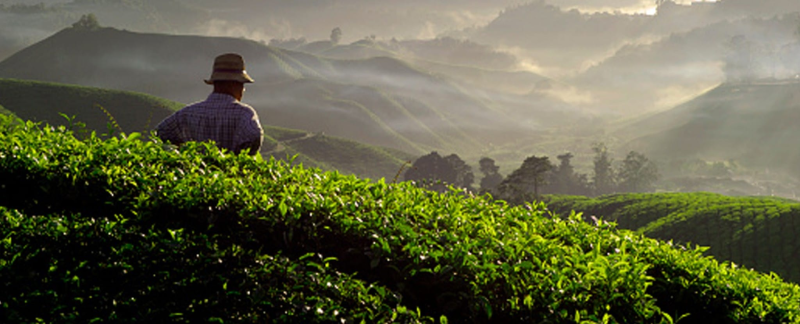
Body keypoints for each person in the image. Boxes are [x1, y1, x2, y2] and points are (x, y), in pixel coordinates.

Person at [156, 53, 263, 155]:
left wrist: (183, 153)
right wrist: (242, 157)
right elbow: (254, 135)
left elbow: (160, 132)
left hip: (196, 172)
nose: (243, 90)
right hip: (232, 173)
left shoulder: (188, 113)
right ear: (234, 84)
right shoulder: (244, 114)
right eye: (242, 85)